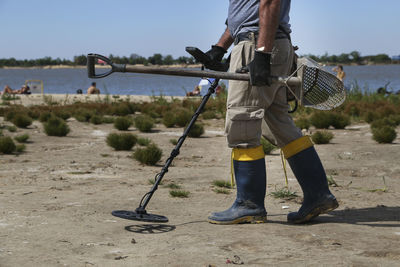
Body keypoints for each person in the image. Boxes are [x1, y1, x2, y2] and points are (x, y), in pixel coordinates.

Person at [204, 0, 338, 224]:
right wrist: (220, 48)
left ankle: (249, 204)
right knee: (278, 123)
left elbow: (269, 2)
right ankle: (318, 194)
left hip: (259, 45)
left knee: (242, 122)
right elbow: (245, 14)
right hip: (266, 42)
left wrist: (262, 54)